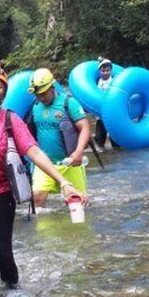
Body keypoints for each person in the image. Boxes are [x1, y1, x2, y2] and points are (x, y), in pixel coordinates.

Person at [0, 62, 86, 290]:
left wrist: (64, 182)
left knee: (3, 253)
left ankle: (13, 293)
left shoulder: (10, 120)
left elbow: (34, 151)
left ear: (3, 95)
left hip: (0, 194)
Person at [26, 68, 92, 208]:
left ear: (52, 87)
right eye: (37, 94)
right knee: (37, 198)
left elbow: (85, 127)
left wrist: (79, 151)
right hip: (45, 163)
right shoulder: (35, 106)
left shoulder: (68, 103)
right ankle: (44, 229)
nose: (41, 97)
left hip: (69, 162)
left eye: (43, 94)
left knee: (78, 203)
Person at [93, 59, 118, 149]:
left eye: (108, 70)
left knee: (115, 140)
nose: (105, 73)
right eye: (103, 71)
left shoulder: (115, 81)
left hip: (112, 114)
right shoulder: (96, 82)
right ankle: (101, 150)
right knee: (100, 137)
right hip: (100, 115)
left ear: (111, 71)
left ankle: (116, 151)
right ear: (99, 71)